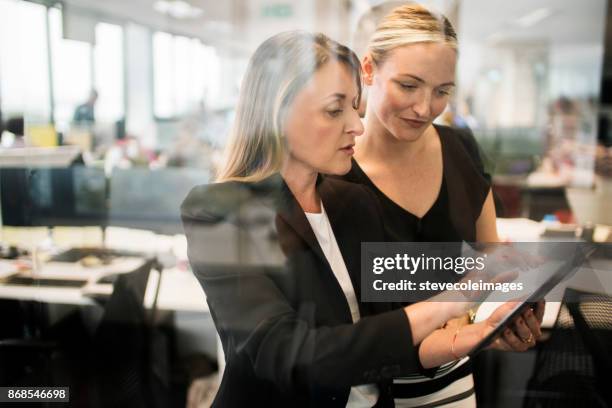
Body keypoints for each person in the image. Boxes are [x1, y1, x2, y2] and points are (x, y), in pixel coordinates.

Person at [181, 31, 541, 407]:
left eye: (355, 106)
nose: (358, 124)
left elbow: (384, 340)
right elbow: (291, 356)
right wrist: (455, 298)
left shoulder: (353, 202)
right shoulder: (219, 211)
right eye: (335, 110)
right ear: (278, 114)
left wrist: (473, 336)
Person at [340, 4, 540, 407]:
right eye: (409, 85)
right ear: (368, 70)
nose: (425, 108)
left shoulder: (460, 149)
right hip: (359, 390)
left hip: (451, 382)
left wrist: (500, 320)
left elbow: (491, 260)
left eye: (442, 91)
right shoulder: (334, 169)